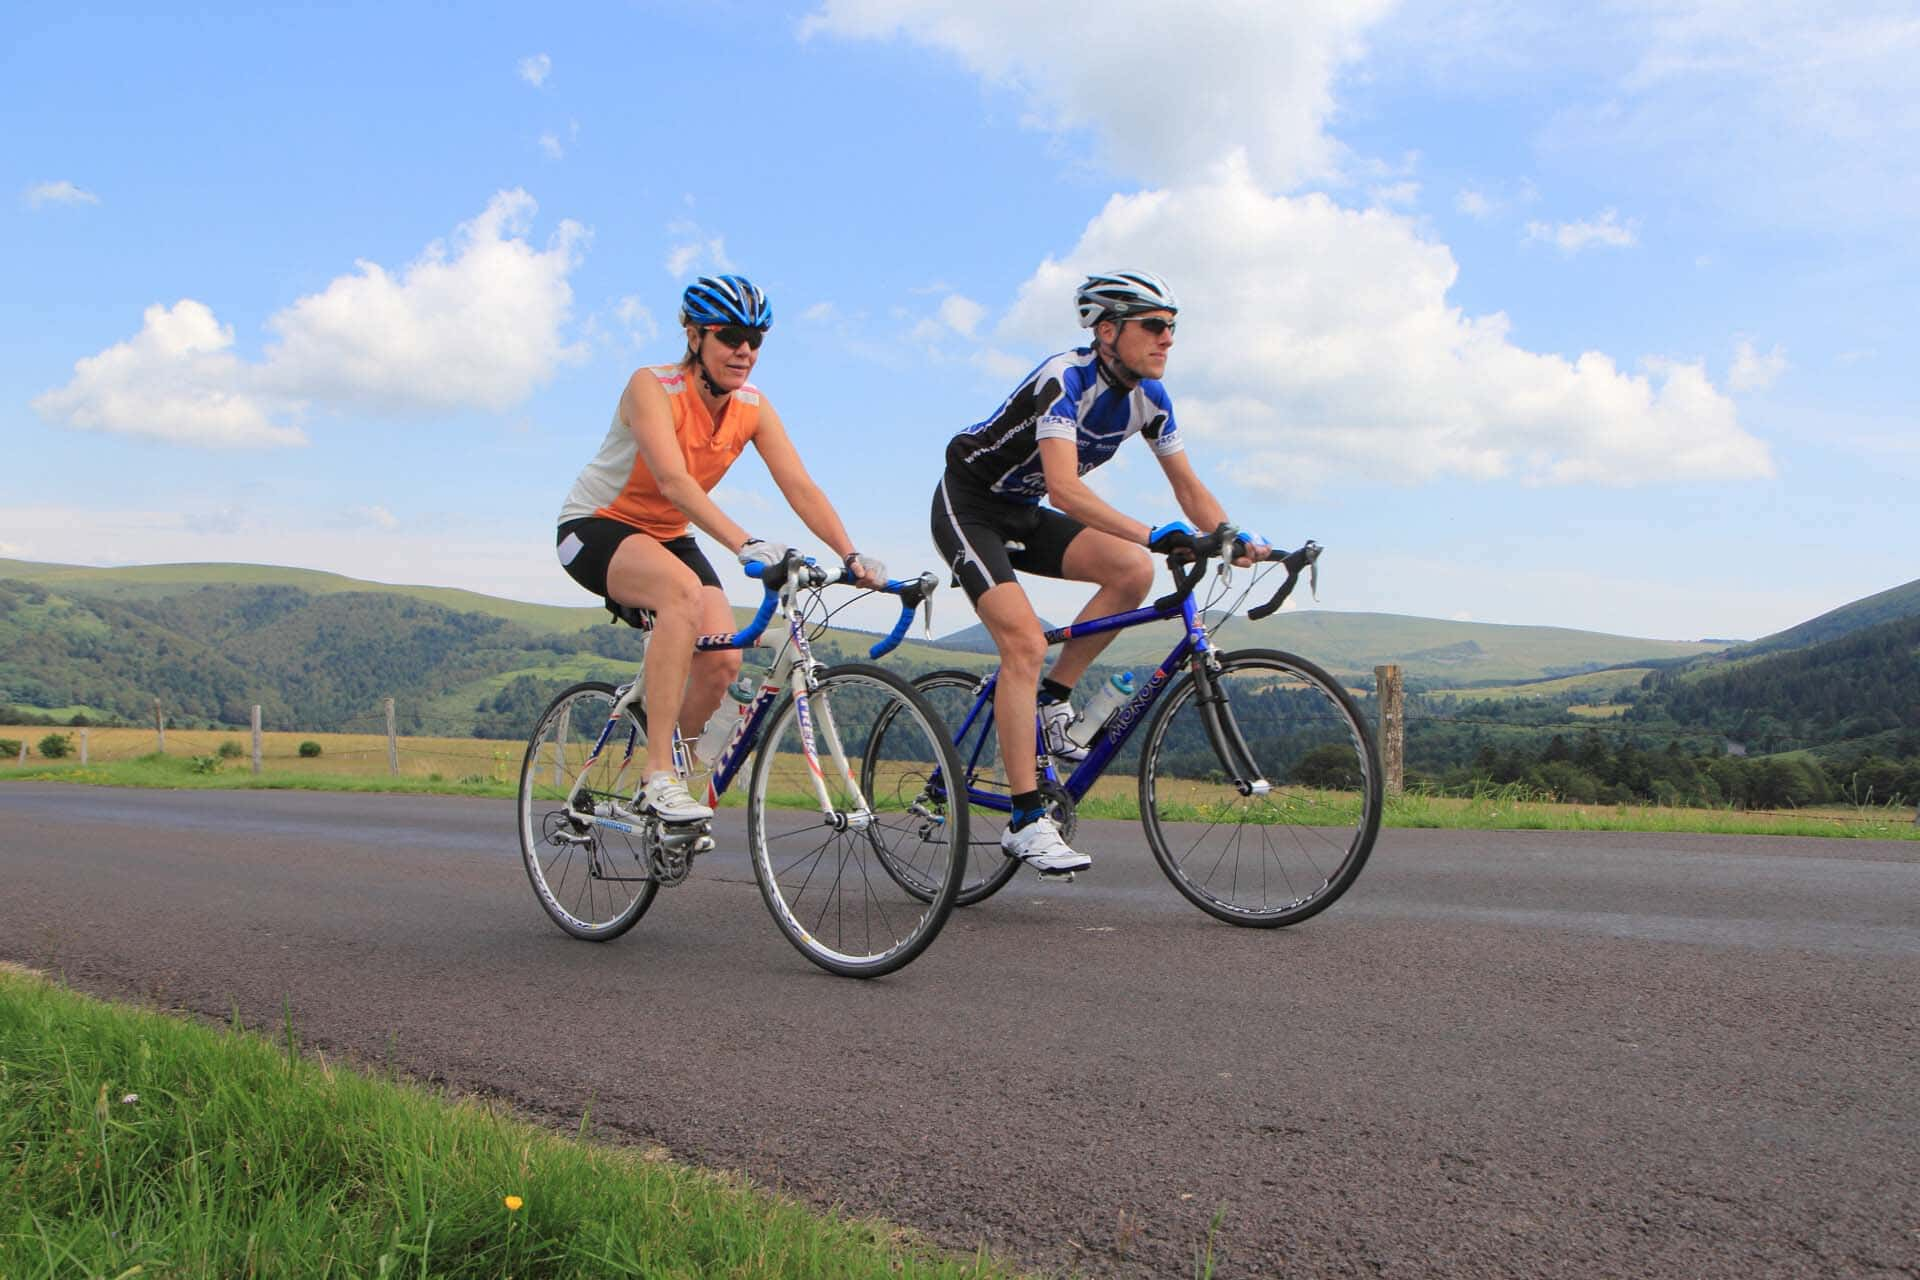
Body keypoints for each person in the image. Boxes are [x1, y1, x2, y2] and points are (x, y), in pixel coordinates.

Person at [930, 270, 1270, 873]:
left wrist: (1230, 535)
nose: (1168, 339)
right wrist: (1152, 531)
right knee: (1024, 642)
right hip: (971, 504)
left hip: (1023, 510)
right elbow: (1064, 489)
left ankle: (1054, 703)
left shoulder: (1151, 400)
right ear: (1108, 330)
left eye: (1173, 328)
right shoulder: (1067, 378)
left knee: (1132, 572)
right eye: (1155, 326)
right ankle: (1027, 820)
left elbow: (1187, 485)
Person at [557, 273, 885, 824]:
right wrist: (744, 543)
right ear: (694, 337)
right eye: (731, 335)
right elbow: (674, 482)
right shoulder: (652, 387)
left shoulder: (752, 406)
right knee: (680, 596)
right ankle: (657, 772)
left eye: (756, 340)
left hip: (667, 536)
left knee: (723, 660)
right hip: (595, 526)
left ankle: (667, 784)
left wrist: (850, 554)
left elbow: (800, 486)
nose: (745, 351)